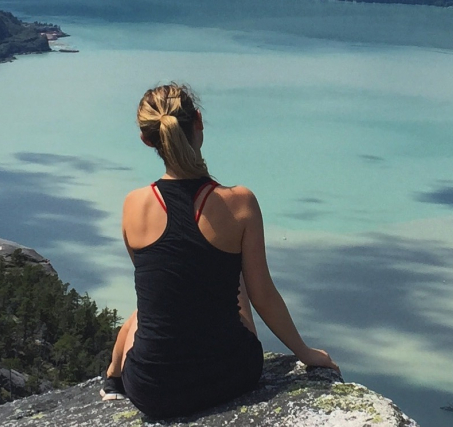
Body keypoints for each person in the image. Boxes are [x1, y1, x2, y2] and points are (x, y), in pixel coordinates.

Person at [100, 83, 337, 419]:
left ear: (147, 139)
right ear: (198, 121)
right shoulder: (240, 203)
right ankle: (114, 375)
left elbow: (162, 293)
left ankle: (112, 377)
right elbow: (263, 295)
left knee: (147, 309)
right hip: (230, 375)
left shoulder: (133, 205)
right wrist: (305, 353)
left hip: (153, 391)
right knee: (235, 274)